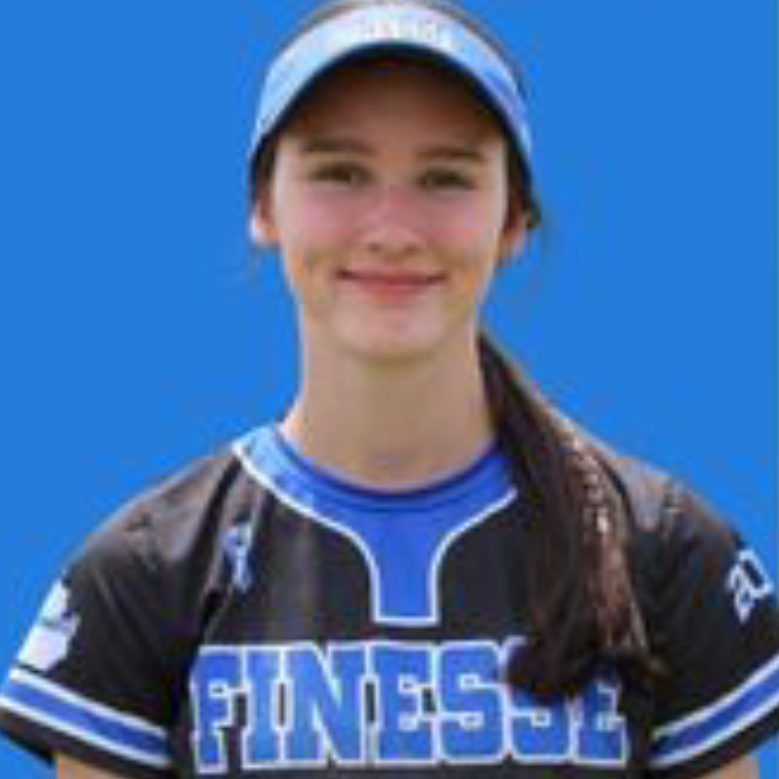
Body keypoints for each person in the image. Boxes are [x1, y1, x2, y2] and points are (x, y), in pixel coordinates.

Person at [1, 0, 778, 777]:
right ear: (264, 206)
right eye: (339, 172)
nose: (392, 228)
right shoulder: (146, 571)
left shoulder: (664, 548)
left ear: (513, 220)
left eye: (445, 177)